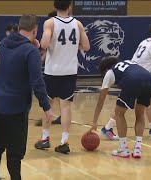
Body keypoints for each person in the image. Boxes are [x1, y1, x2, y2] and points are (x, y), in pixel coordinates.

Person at [0, 14, 54, 180]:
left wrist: (34, 47)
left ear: (19, 28)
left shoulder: (3, 44)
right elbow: (37, 82)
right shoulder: (30, 51)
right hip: (17, 107)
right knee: (15, 152)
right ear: (35, 30)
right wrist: (46, 106)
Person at [102, 20, 151, 140]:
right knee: (124, 107)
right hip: (136, 78)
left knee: (150, 100)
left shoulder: (145, 41)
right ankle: (107, 127)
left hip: (131, 74)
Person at [34, 0, 90, 154]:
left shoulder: (50, 23)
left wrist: (48, 41)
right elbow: (86, 46)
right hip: (70, 71)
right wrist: (73, 46)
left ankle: (45, 139)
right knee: (65, 107)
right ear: (70, 6)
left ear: (55, 6)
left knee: (48, 105)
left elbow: (44, 44)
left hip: (52, 71)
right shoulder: (78, 24)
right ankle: (64, 141)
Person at [90, 57, 151, 158]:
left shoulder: (110, 72)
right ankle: (138, 148)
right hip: (149, 78)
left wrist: (94, 121)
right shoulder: (128, 63)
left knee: (119, 113)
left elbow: (101, 100)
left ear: (105, 70)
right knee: (140, 113)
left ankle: (123, 148)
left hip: (132, 80)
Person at [35, 10, 62, 127]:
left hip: (54, 69)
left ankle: (47, 117)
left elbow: (45, 46)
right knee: (63, 97)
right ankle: (61, 116)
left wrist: (40, 57)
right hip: (67, 68)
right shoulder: (70, 28)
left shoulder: (51, 30)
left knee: (48, 95)